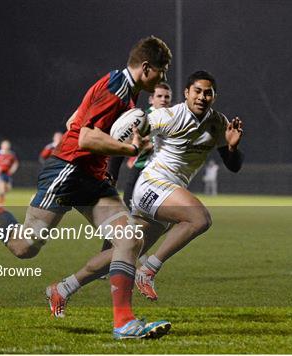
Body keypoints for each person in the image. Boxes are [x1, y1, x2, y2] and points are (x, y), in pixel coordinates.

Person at [0, 36, 173, 339]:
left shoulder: (124, 90)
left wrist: (107, 158)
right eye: (162, 70)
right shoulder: (117, 90)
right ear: (147, 67)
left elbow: (75, 118)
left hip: (92, 178)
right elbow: (84, 138)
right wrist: (128, 149)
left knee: (130, 239)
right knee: (24, 247)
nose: (164, 77)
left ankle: (124, 322)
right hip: (68, 171)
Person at [47, 70, 244, 314]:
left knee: (122, 252)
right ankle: (148, 270)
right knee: (199, 218)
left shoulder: (218, 123)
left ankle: (63, 288)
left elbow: (233, 166)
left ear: (214, 96)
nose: (202, 97)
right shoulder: (168, 116)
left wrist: (233, 148)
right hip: (153, 184)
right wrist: (111, 170)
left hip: (171, 192)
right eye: (198, 91)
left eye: (208, 93)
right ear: (186, 93)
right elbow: (129, 138)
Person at [101, 82, 173, 266]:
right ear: (151, 99)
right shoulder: (141, 118)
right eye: (159, 96)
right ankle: (105, 259)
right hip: (141, 173)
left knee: (169, 219)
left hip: (162, 177)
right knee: (124, 218)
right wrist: (112, 173)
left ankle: (136, 250)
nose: (163, 100)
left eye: (167, 97)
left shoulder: (172, 119)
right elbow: (120, 143)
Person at [0, 140, 19, 205]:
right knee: (2, 187)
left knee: (8, 188)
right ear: (2, 146)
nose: (6, 146)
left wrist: (13, 169)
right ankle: (0, 203)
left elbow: (15, 163)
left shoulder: (11, 154)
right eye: (5, 145)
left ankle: (2, 197)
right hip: (0, 174)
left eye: (7, 145)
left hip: (8, 174)